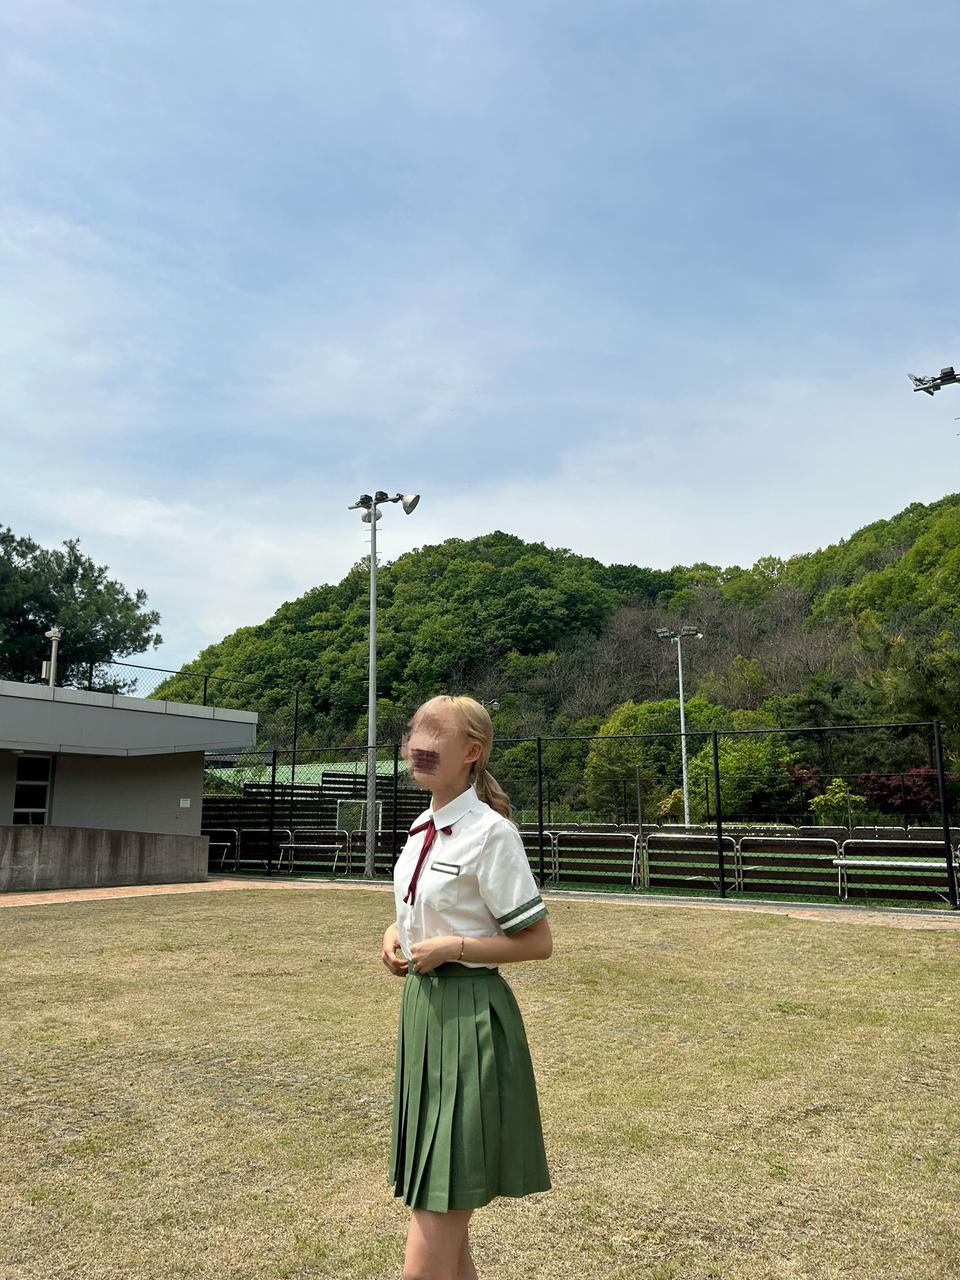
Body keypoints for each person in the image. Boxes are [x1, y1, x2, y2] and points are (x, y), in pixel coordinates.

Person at [381, 694, 553, 1280]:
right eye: (414, 731)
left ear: (472, 752)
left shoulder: (490, 833)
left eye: (436, 733)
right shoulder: (422, 828)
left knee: (439, 1197)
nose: (419, 744)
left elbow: (537, 942)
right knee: (441, 1193)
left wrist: (453, 949)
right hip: (424, 1014)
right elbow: (427, 908)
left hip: (470, 1019)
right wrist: (394, 934)